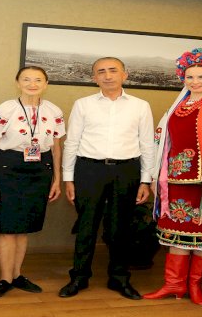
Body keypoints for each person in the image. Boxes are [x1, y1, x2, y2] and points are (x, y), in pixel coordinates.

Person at [143, 48, 202, 305]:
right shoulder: (175, 108)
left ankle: (195, 286)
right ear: (183, 78)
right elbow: (161, 144)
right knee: (176, 233)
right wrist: (155, 177)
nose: (195, 82)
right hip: (174, 182)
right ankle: (174, 285)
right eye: (190, 77)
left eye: (201, 77)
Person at [59, 57, 154, 300]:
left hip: (126, 170)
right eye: (101, 72)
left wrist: (146, 180)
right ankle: (79, 277)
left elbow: (147, 144)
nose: (108, 75)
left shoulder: (140, 106)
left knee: (120, 228)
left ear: (125, 74)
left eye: (113, 70)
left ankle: (119, 278)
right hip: (89, 170)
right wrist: (68, 178)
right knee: (86, 226)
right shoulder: (83, 105)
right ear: (94, 78)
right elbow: (72, 142)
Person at [0, 66, 66, 299]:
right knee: (8, 227)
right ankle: (5, 279)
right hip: (8, 169)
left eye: (38, 80)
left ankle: (17, 275)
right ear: (18, 83)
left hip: (40, 170)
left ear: (46, 84)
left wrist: (57, 180)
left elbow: (57, 149)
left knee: (24, 227)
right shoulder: (5, 108)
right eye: (26, 79)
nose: (32, 84)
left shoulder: (54, 111)